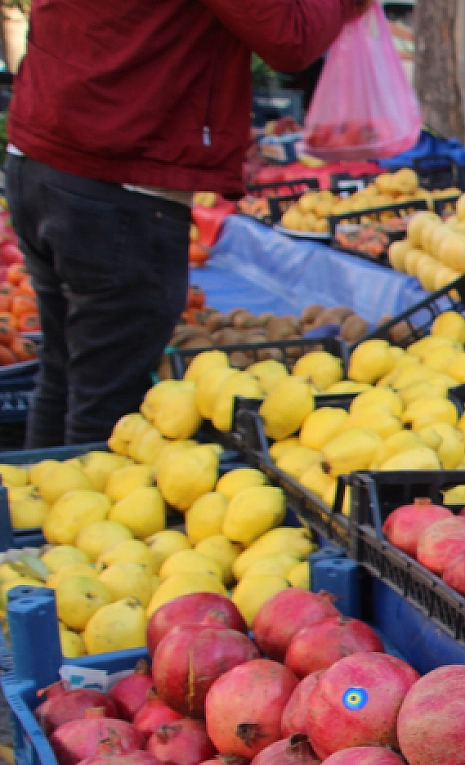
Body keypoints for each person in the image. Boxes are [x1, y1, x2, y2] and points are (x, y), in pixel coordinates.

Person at [6, 0, 365, 448]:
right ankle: (69, 490)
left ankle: (40, 487)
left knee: (63, 377)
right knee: (104, 407)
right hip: (117, 179)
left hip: (45, 155)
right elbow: (290, 37)